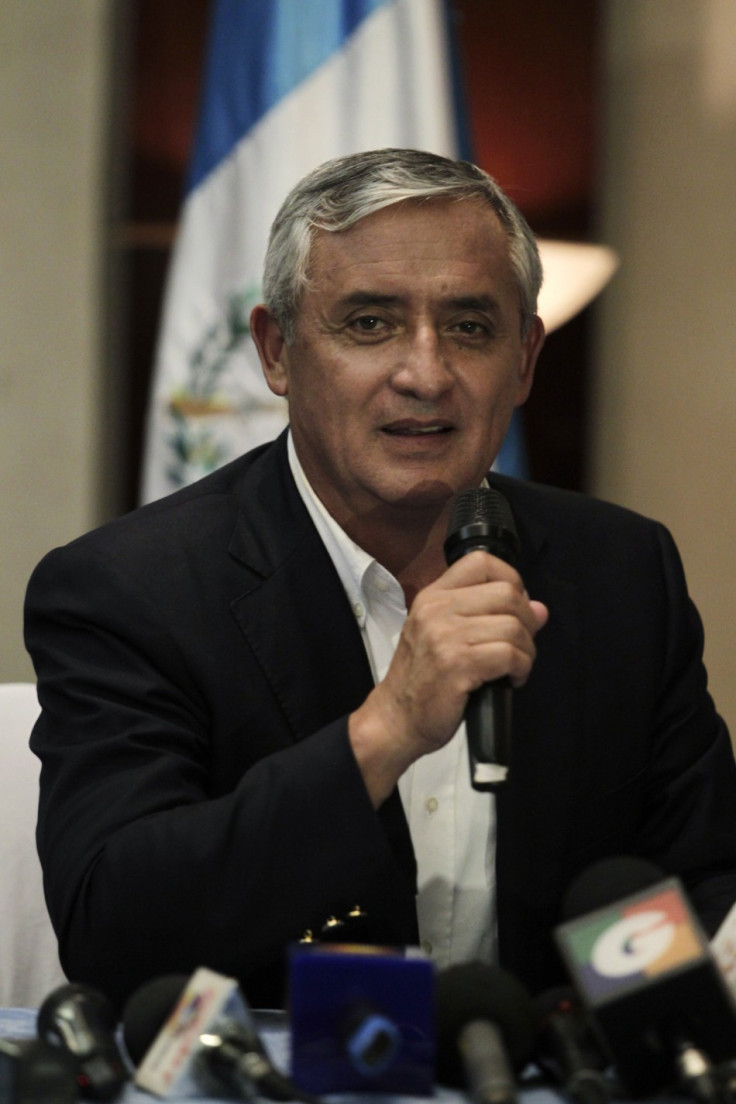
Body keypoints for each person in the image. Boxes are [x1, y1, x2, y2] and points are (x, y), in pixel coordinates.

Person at [25, 149, 736, 1013]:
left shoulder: (619, 572)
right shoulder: (131, 590)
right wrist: (386, 729)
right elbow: (116, 929)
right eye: (369, 324)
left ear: (523, 360)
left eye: (471, 327)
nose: (425, 373)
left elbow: (688, 887)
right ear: (277, 352)